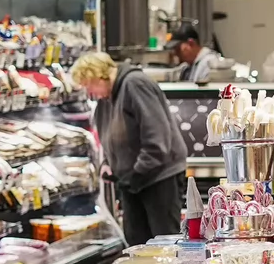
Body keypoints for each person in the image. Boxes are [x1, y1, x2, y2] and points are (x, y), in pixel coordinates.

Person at [72, 51, 188, 245]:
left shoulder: (135, 84)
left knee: (164, 241)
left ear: (99, 75)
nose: (89, 92)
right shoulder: (106, 99)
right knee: (136, 241)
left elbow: (157, 138)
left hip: (158, 177)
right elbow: (110, 136)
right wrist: (109, 164)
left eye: (88, 85)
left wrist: (137, 172)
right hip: (133, 181)